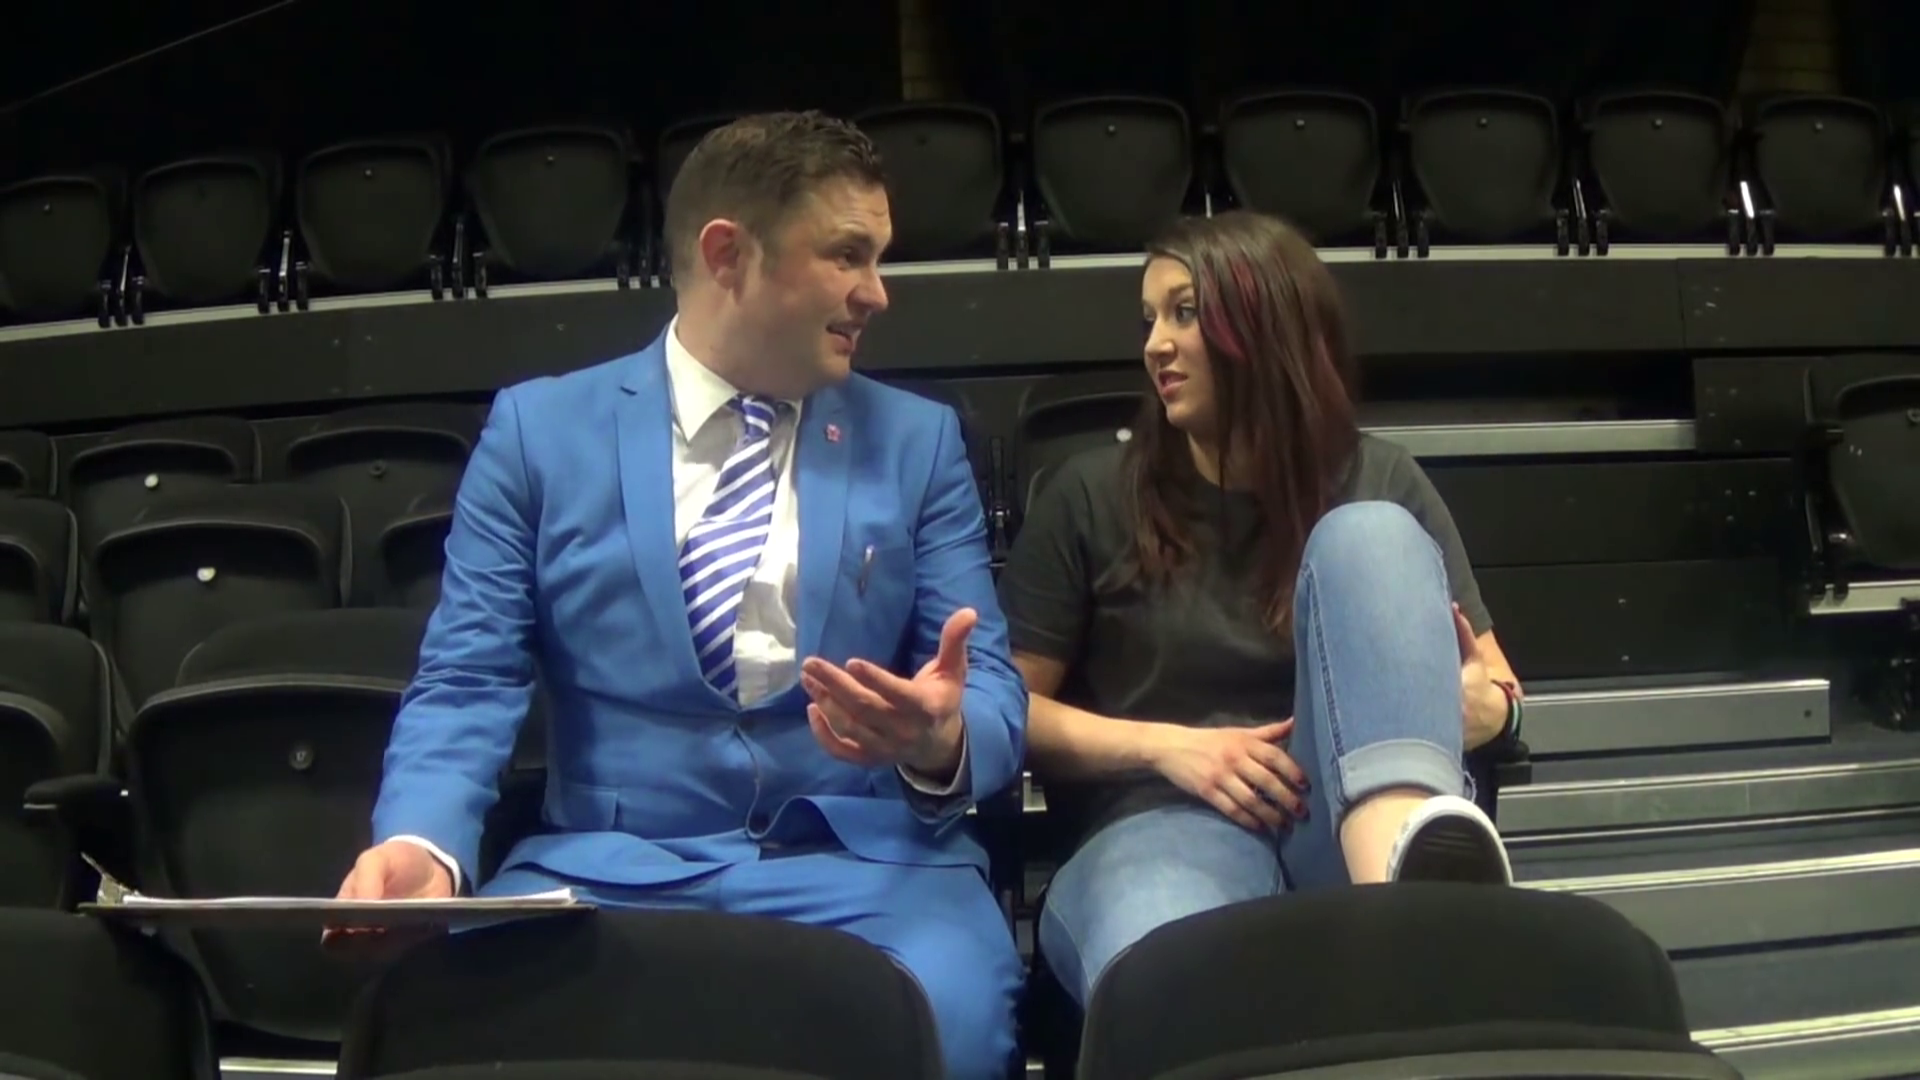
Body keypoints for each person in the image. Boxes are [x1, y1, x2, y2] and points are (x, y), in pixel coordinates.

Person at [333, 112, 1025, 1080]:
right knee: (442, 1037)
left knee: (956, 1035)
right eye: (847, 256)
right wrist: (423, 844)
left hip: (869, 872)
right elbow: (467, 678)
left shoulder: (919, 441)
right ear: (727, 253)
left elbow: (987, 684)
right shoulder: (539, 433)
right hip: (606, 869)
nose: (878, 292)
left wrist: (939, 739)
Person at [997, 210, 1526, 1011]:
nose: (1155, 345)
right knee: (1176, 982)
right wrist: (1170, 749)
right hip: (1161, 821)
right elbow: (1007, 712)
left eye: (1184, 313)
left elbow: (1499, 688)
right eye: (1149, 320)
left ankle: (1402, 889)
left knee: (1372, 534)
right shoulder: (1088, 495)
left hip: (1344, 820)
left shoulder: (1382, 478)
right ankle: (1410, 942)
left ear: (1264, 327)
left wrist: (1484, 710)